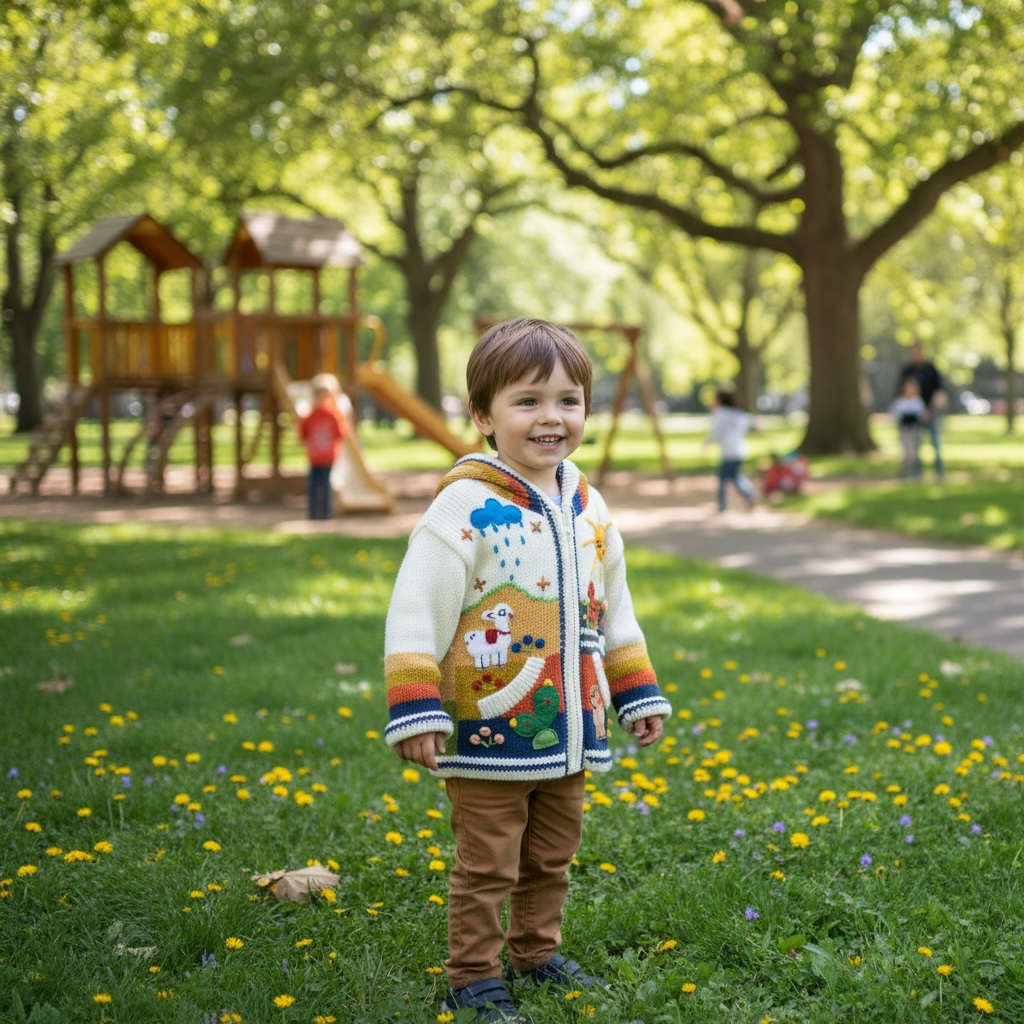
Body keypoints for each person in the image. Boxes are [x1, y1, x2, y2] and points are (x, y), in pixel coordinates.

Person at [383, 318, 672, 1023]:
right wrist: (415, 706)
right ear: (483, 416)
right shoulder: (464, 507)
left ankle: (536, 954)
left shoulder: (591, 507)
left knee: (551, 856)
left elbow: (615, 612)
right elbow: (416, 608)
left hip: (570, 726)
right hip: (488, 730)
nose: (552, 417)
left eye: (568, 400)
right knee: (488, 863)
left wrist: (636, 691)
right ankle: (474, 973)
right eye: (528, 401)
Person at [298, 373, 348, 519]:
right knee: (313, 485)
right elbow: (303, 433)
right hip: (314, 457)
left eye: (326, 396)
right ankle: (313, 512)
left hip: (328, 457)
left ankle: (326, 513)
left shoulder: (334, 415)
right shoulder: (311, 415)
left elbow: (340, 433)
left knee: (325, 485)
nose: (323, 400)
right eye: (320, 395)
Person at [897, 341, 946, 479]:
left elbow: (939, 391)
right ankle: (916, 473)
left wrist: (931, 408)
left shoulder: (931, 369)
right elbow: (901, 393)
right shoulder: (907, 371)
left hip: (931, 411)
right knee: (915, 445)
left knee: (936, 442)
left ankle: (939, 472)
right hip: (914, 415)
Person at [703, 387, 756, 511]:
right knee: (734, 476)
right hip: (740, 451)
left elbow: (717, 432)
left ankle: (725, 503)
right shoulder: (738, 414)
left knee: (725, 478)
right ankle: (748, 495)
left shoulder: (721, 414)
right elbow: (751, 422)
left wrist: (707, 443)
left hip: (728, 452)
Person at [889, 375, 927, 479]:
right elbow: (893, 416)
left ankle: (912, 473)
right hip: (904, 431)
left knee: (914, 454)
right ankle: (903, 472)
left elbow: (923, 415)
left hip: (914, 431)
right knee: (907, 453)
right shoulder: (900, 402)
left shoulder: (918, 402)